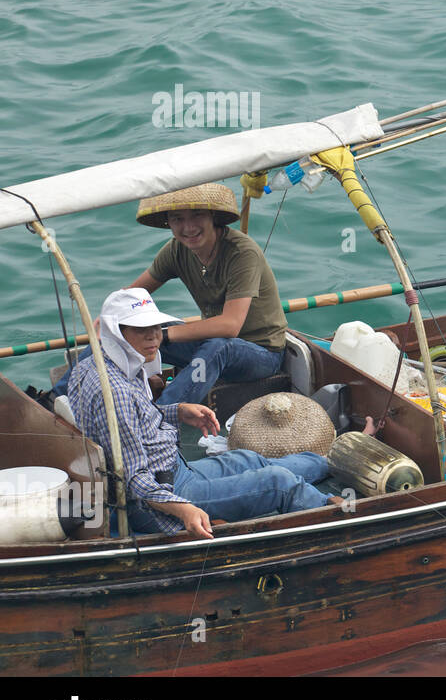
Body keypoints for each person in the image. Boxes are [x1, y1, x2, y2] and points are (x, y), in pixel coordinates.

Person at [66, 288, 340, 539]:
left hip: (173, 469)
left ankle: (331, 461)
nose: (153, 337)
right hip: (160, 499)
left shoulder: (94, 366)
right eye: (141, 329)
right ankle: (335, 512)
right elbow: (136, 480)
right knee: (277, 482)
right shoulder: (115, 391)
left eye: (156, 327)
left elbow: (129, 420)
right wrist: (185, 511)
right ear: (117, 331)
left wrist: (178, 411)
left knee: (250, 459)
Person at [51, 183, 288, 406]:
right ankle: (57, 399)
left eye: (197, 215)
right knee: (126, 329)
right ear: (169, 223)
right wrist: (109, 318)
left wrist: (161, 335)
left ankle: (160, 417)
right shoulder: (177, 250)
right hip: (212, 343)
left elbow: (230, 326)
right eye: (178, 219)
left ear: (212, 216)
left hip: (262, 354)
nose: (188, 227)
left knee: (217, 346)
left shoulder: (242, 252)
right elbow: (133, 294)